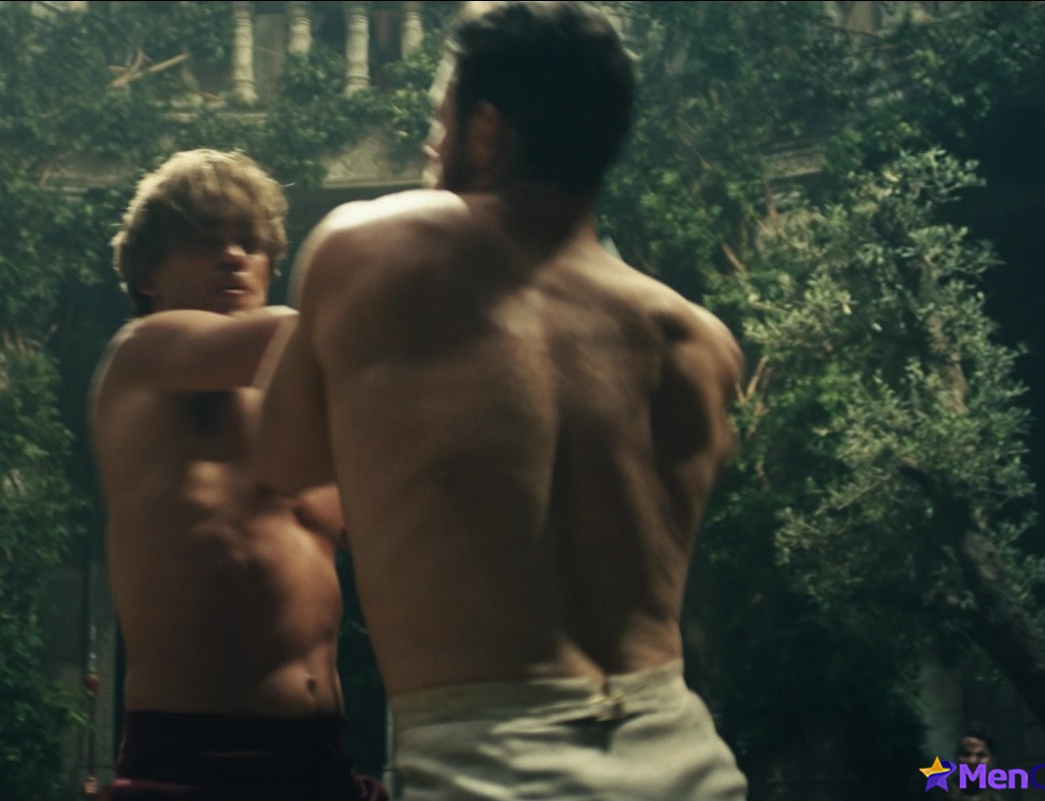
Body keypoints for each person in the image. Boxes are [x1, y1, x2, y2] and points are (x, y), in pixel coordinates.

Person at [256, 3, 749, 799]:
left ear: (486, 130)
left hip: (492, 763)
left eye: (438, 120)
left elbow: (284, 456)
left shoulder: (374, 250)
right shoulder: (697, 343)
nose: (430, 147)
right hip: (685, 757)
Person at [89, 149, 388, 801]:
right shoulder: (143, 356)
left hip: (323, 759)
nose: (232, 256)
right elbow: (289, 331)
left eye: (249, 243)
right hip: (193, 760)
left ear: (271, 264)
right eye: (204, 241)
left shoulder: (302, 414)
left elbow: (378, 531)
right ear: (148, 274)